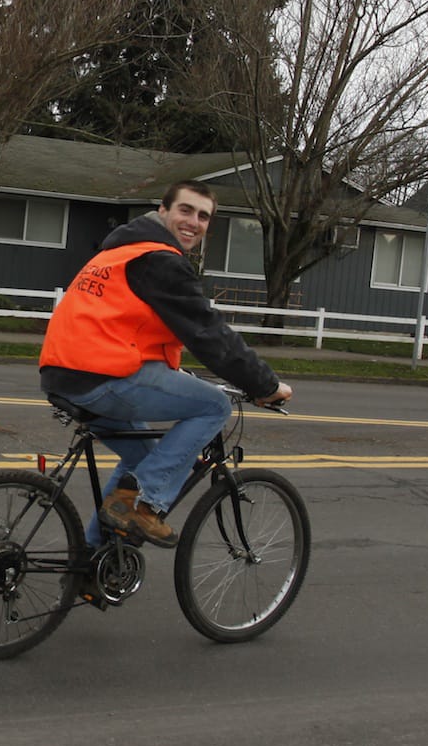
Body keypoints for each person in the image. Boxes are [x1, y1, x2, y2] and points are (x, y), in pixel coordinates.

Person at [38, 180, 292, 548]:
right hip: (102, 376)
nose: (194, 222)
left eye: (204, 216)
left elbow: (124, 323)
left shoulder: (120, 252)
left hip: (65, 372)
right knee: (214, 405)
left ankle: (95, 561)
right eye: (185, 210)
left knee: (144, 456)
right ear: (162, 211)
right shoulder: (159, 260)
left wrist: (174, 372)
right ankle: (145, 504)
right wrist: (265, 385)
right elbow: (208, 334)